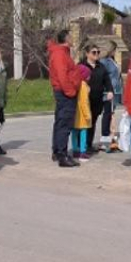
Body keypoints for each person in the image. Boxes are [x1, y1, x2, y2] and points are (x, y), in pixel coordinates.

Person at [48, 29, 83, 168]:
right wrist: (70, 91)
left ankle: (57, 151)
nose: (73, 39)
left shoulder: (63, 53)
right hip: (65, 93)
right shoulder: (59, 54)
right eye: (71, 36)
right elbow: (62, 75)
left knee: (60, 122)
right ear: (66, 38)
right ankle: (62, 155)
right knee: (64, 123)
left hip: (65, 92)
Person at [79, 42, 113, 154]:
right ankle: (80, 145)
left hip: (97, 100)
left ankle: (88, 144)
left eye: (98, 52)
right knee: (83, 123)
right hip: (85, 100)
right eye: (94, 52)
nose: (96, 54)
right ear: (87, 53)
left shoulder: (101, 66)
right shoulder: (81, 66)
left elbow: (107, 80)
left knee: (92, 122)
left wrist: (110, 91)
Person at [99, 42, 123, 152]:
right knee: (108, 114)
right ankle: (106, 139)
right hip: (109, 91)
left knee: (111, 114)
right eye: (115, 50)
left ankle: (111, 137)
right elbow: (103, 76)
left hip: (115, 90)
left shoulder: (112, 60)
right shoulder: (105, 62)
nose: (116, 52)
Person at [71, 64, 93, 160]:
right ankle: (82, 151)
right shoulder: (83, 85)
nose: (89, 77)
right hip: (82, 114)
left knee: (74, 132)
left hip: (75, 112)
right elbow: (84, 102)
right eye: (88, 75)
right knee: (83, 132)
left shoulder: (75, 83)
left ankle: (75, 149)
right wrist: (88, 115)